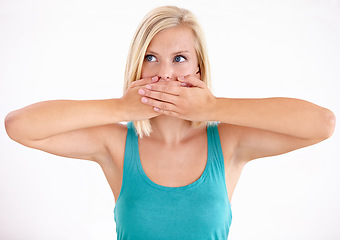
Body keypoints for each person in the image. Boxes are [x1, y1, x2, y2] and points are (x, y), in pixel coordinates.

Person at [4, 5, 335, 240]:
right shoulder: (115, 145)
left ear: (198, 69)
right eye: (151, 58)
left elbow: (322, 123)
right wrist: (121, 107)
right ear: (138, 66)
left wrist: (213, 107)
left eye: (179, 59)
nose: (164, 73)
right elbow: (19, 125)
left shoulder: (229, 143)